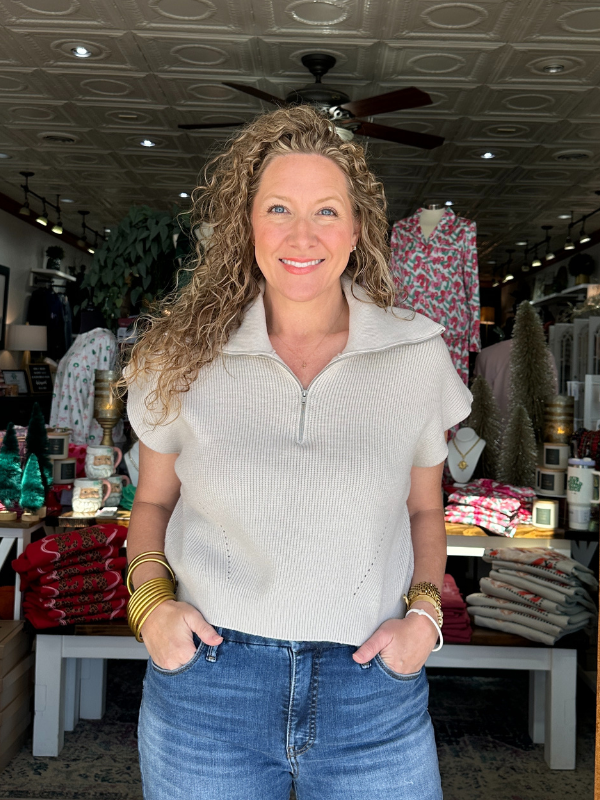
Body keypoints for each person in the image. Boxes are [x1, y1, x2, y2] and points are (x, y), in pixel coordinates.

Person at [122, 105, 472, 800]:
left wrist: (425, 618)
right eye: (278, 208)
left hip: (372, 690)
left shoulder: (416, 353)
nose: (301, 235)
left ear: (357, 229)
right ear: (246, 224)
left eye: (326, 211)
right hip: (208, 687)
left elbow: (424, 510)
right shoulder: (179, 356)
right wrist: (150, 607)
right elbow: (154, 501)